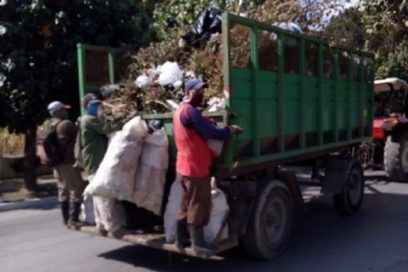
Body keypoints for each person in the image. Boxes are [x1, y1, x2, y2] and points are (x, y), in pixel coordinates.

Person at [173, 79, 242, 253]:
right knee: (198, 204)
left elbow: (198, 129)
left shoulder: (179, 111)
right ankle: (198, 243)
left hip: (183, 166)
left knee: (185, 204)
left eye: (202, 91)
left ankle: (181, 240)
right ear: (188, 92)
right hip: (195, 168)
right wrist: (229, 130)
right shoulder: (190, 112)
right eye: (197, 91)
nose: (201, 94)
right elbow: (212, 133)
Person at [80, 97, 126, 237]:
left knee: (96, 193)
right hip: (94, 162)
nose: (98, 108)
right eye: (94, 105)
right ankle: (113, 227)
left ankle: (100, 224)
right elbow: (107, 128)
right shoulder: (88, 119)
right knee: (103, 195)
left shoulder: (91, 119)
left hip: (93, 161)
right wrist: (124, 120)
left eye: (98, 105)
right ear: (87, 107)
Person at [47, 101, 85, 227]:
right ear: (58, 111)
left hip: (56, 163)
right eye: (63, 109)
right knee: (76, 188)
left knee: (63, 190)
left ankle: (65, 219)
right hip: (68, 162)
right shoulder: (66, 124)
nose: (65, 111)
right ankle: (74, 219)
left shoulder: (49, 125)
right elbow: (80, 135)